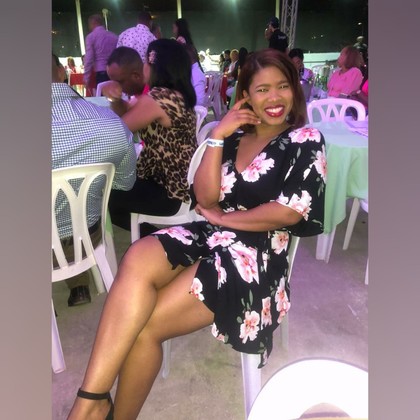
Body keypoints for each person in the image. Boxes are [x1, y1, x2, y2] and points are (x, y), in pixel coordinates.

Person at [67, 48, 326, 420]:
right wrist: (218, 135)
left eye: (283, 86)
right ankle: (91, 400)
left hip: (256, 257)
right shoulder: (233, 137)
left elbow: (289, 210)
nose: (274, 97)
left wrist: (227, 219)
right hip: (213, 233)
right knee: (138, 255)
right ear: (245, 96)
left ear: (295, 90)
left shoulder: (305, 139)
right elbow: (205, 199)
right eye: (262, 89)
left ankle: (107, 412)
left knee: (144, 326)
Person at [51, 53, 137, 307]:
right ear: (61, 72)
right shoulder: (111, 122)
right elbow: (125, 183)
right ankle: (79, 285)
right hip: (87, 239)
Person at [102, 41, 197, 231]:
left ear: (156, 67)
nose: (143, 65)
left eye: (146, 61)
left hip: (170, 192)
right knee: (111, 192)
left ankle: (158, 239)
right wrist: (116, 99)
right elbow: (126, 112)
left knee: (100, 195)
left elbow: (116, 133)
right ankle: (158, 238)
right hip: (179, 185)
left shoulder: (158, 99)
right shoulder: (173, 95)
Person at [172, 17, 206, 105]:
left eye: (174, 27)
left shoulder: (180, 41)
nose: (173, 30)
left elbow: (199, 101)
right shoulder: (188, 41)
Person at [83, 14, 118, 89]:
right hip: (114, 72)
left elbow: (89, 58)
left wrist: (86, 77)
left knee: (102, 95)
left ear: (93, 23)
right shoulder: (114, 36)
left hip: (101, 72)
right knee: (115, 94)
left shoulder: (90, 37)